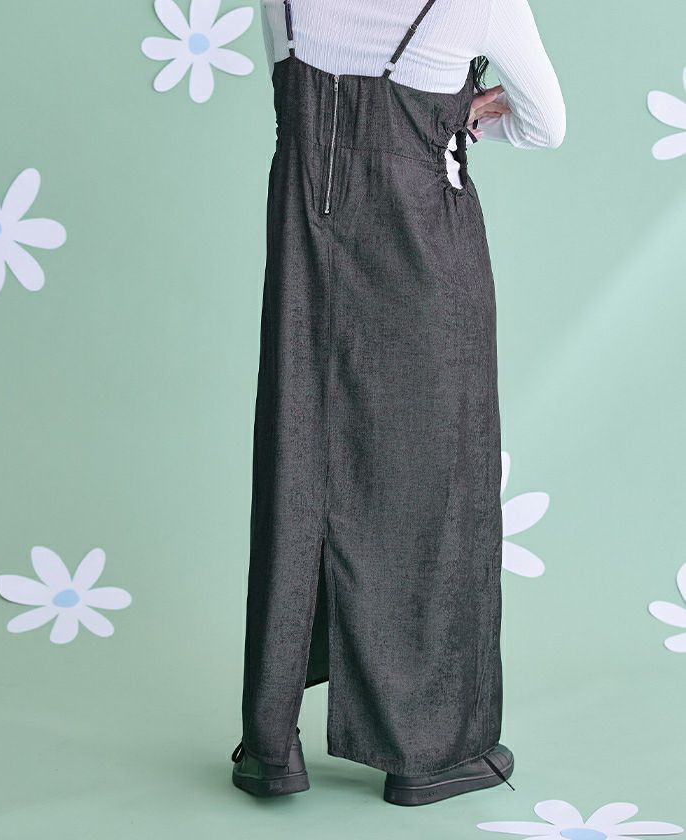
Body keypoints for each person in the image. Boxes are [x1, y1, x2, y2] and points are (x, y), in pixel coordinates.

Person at [231, 0, 566, 806]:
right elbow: (546, 125)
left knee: (301, 470)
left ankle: (271, 748)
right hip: (427, 264)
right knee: (435, 491)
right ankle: (428, 752)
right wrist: (473, 112)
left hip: (306, 266)